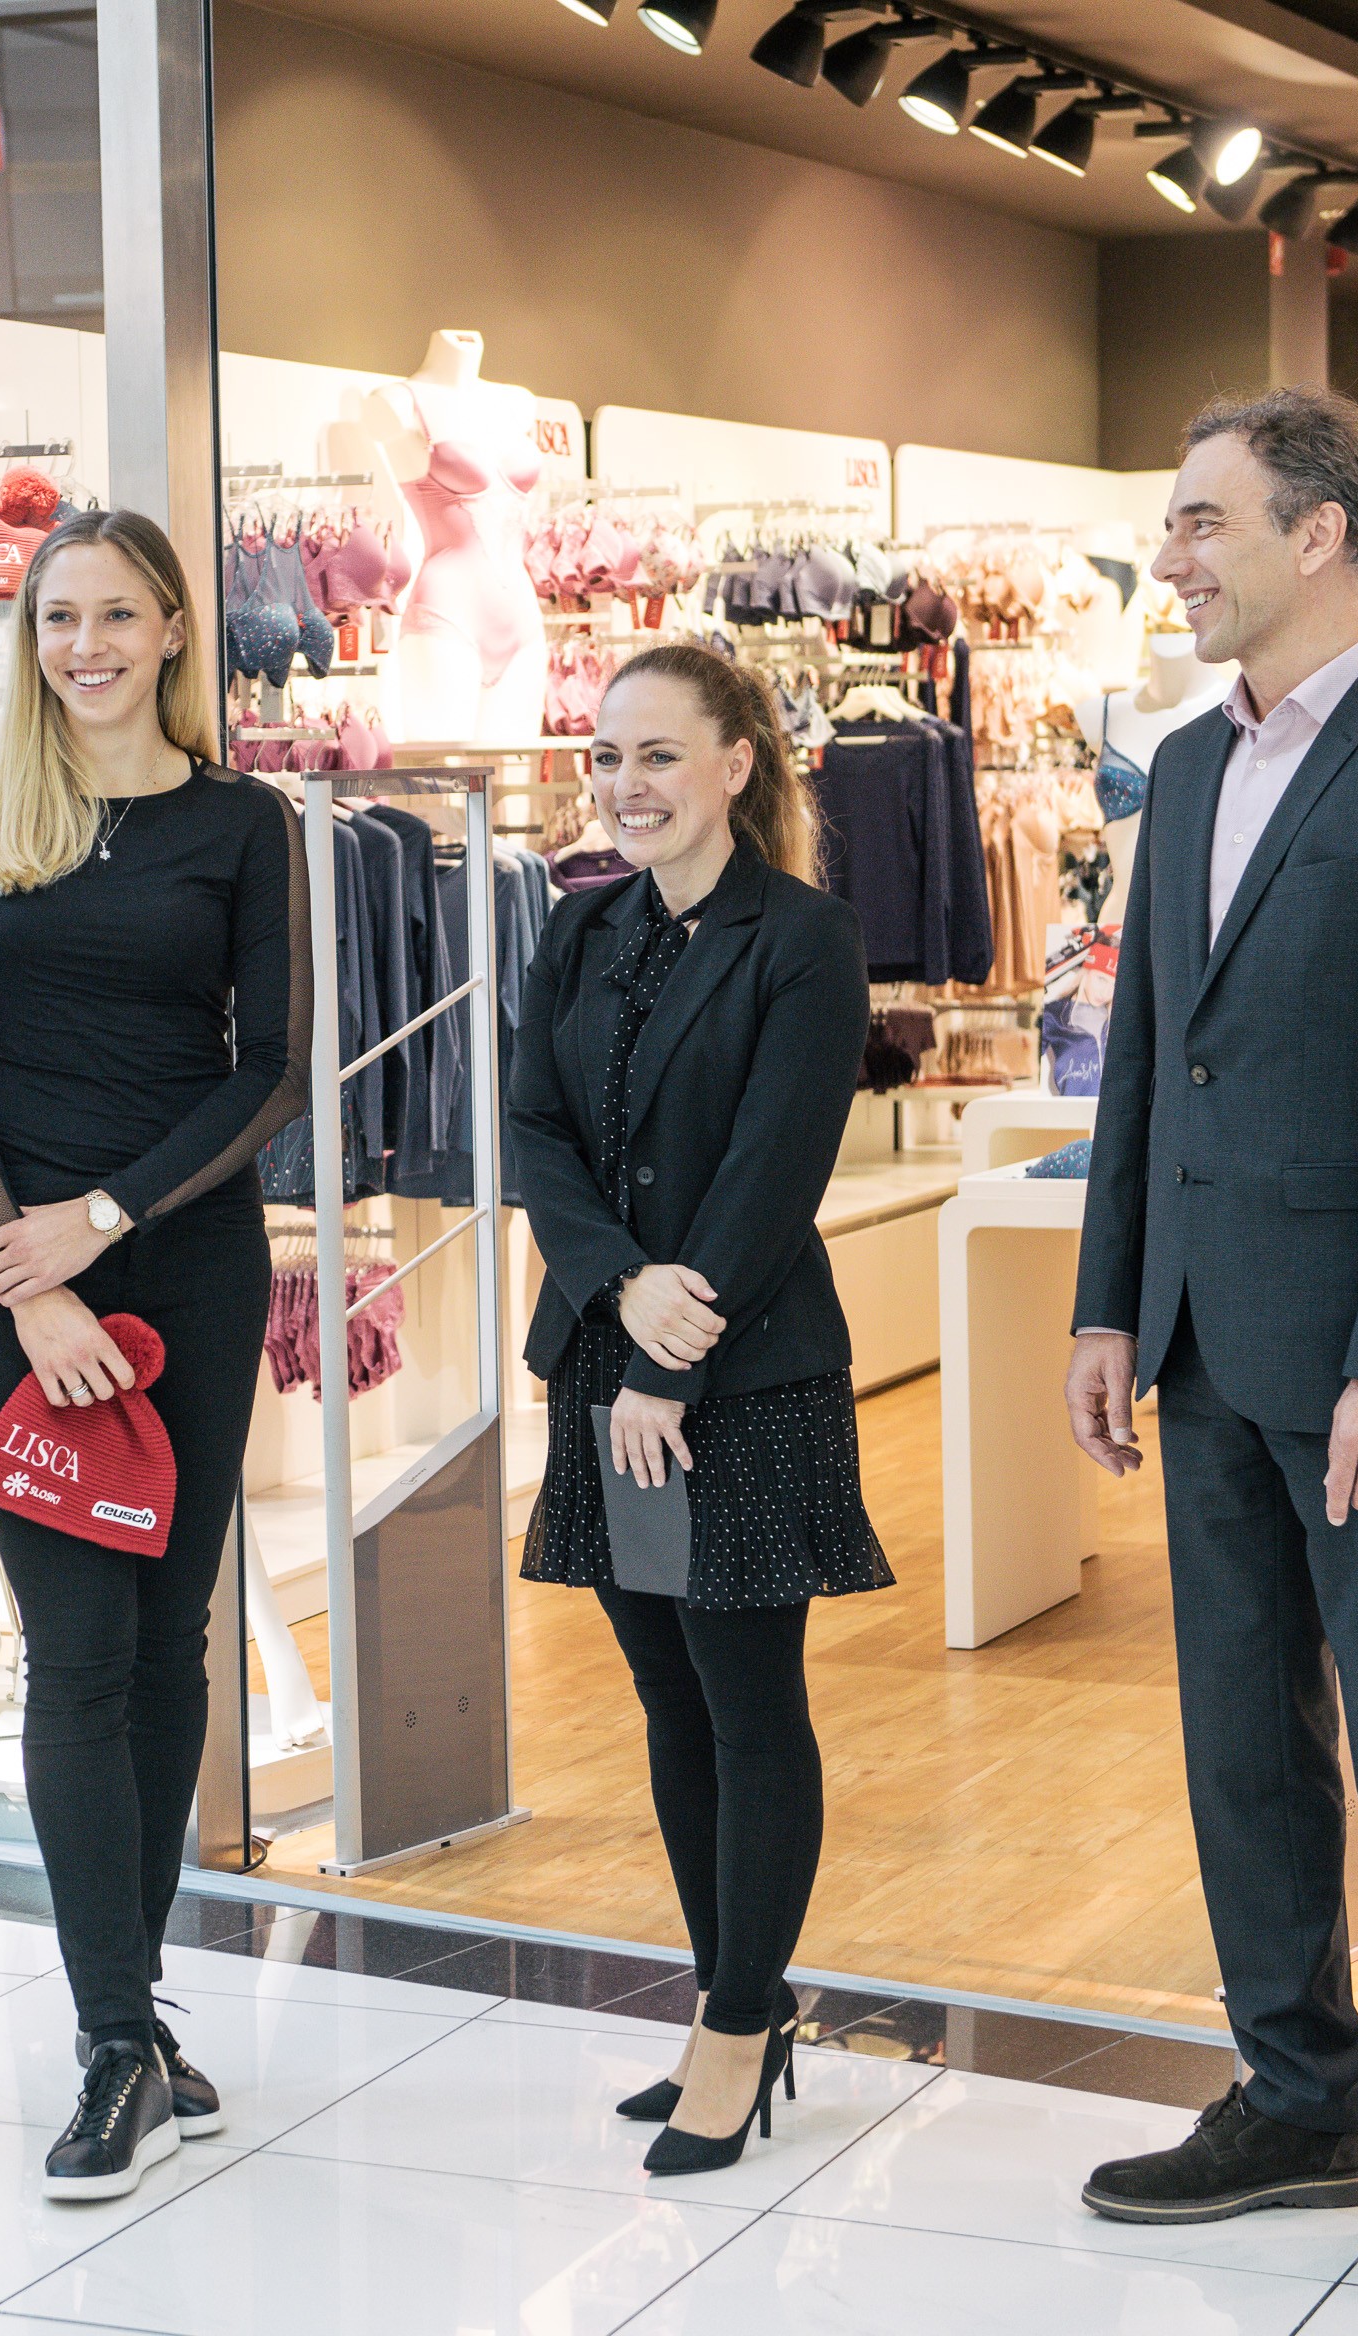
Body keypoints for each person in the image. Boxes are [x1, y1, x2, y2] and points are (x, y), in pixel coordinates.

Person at [1063, 389, 1358, 2308]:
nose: (1172, 555)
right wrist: (1110, 1299)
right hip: (1202, 1344)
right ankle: (1292, 2098)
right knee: (1242, 1748)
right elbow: (1147, 1057)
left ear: (1323, 535)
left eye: (1205, 521)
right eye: (1174, 523)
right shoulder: (1187, 766)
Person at [0, 507, 304, 2201]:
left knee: (169, 1645)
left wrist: (110, 1219)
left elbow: (272, 1072)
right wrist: (29, 1274)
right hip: (20, 1285)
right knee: (74, 1652)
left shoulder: (245, 824)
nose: (86, 646)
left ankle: (130, 2023)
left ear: (174, 629)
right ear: (27, 636)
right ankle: (114, 2038)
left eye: (118, 615)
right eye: (58, 617)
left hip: (185, 1265)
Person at [507, 642, 886, 2177]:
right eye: (608, 757)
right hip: (611, 1361)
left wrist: (675, 1349)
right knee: (666, 1693)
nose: (627, 784)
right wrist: (618, 1291)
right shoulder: (579, 927)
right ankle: (731, 1996)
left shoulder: (804, 938)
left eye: (658, 754)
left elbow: (775, 1168)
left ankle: (740, 2024)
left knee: (747, 1697)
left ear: (736, 765)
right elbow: (533, 1130)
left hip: (740, 1377)